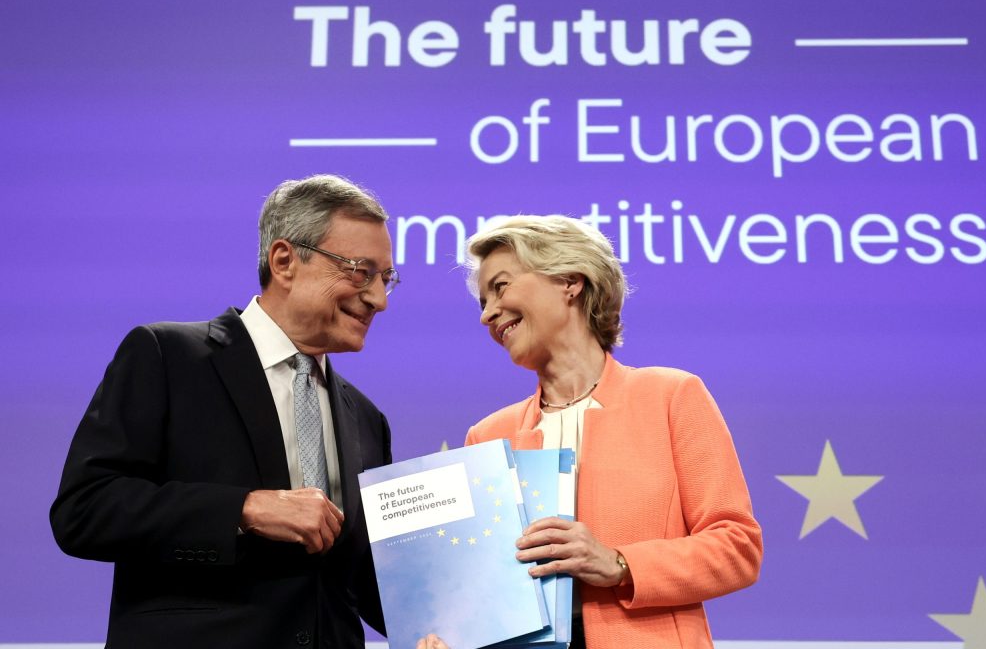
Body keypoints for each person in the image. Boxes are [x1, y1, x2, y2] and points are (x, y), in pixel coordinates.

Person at [50, 174, 398, 649]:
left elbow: (365, 581)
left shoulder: (366, 417)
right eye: (360, 271)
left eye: (385, 278)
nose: (378, 298)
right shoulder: (167, 357)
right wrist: (244, 508)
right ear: (284, 261)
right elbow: (84, 511)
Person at [460, 215, 762, 649]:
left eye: (501, 287)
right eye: (482, 301)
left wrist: (620, 563)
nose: (488, 313)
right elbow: (479, 588)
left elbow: (738, 547)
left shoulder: (672, 396)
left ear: (569, 280)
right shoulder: (487, 436)